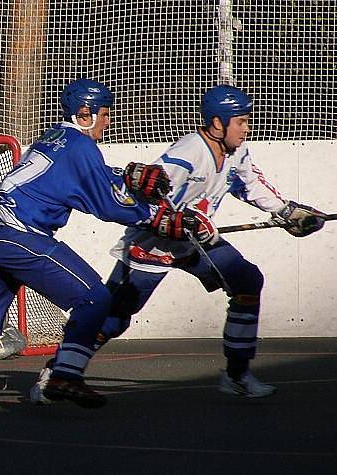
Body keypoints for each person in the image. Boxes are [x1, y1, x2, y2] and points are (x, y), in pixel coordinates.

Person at [0, 77, 213, 418]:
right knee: (95, 297)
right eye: (104, 114)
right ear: (84, 113)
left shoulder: (55, 138)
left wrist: (125, 176)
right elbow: (104, 202)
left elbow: (93, 178)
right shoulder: (79, 145)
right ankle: (66, 375)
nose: (108, 121)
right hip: (16, 236)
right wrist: (157, 218)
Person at [31, 84, 326, 403]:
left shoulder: (236, 150)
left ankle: (237, 375)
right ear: (217, 123)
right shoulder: (188, 153)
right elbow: (145, 194)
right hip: (153, 244)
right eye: (240, 121)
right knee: (114, 318)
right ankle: (60, 372)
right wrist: (177, 219)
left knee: (247, 281)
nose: (246, 127)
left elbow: (249, 183)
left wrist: (287, 211)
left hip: (196, 243)